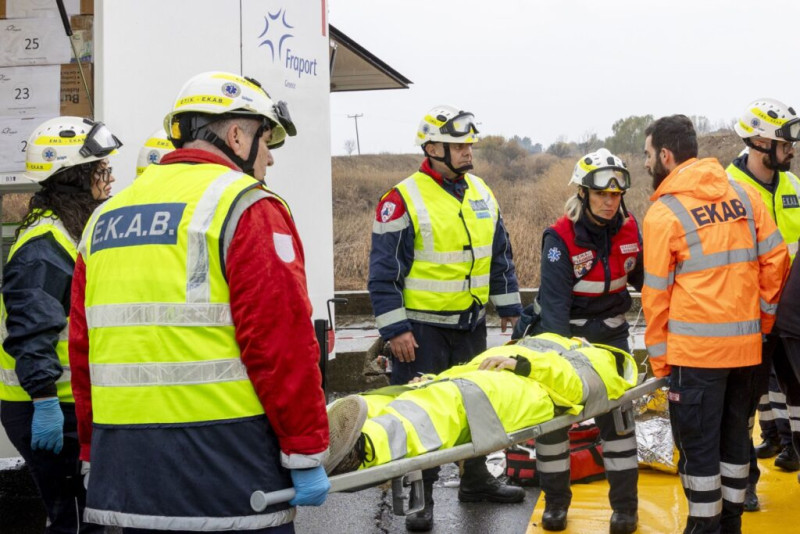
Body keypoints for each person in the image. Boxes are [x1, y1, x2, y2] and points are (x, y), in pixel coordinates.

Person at [68, 71, 330, 533]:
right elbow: (281, 343)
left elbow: (84, 350)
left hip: (127, 473)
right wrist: (305, 449)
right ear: (235, 134)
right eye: (265, 140)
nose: (268, 157)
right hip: (229, 473)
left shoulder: (104, 218)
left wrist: (91, 449)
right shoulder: (246, 205)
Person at [367, 105, 524, 531]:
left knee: (475, 406)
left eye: (469, 144)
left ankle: (475, 481)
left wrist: (509, 308)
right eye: (459, 145)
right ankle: (422, 498)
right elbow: (383, 274)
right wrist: (395, 330)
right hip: (420, 332)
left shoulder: (481, 192)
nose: (468, 151)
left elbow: (500, 258)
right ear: (433, 147)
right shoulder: (401, 198)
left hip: (470, 326)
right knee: (420, 415)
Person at [641, 114, 790, 534]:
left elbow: (656, 297)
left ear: (666, 156)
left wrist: (661, 363)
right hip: (746, 355)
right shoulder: (744, 197)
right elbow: (775, 264)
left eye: (649, 155)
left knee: (700, 453)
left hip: (696, 360)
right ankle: (730, 525)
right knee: (734, 445)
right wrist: (759, 326)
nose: (647, 163)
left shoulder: (664, 214)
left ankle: (703, 528)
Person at [0, 116, 120, 533]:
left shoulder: (71, 229)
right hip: (47, 405)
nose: (110, 179)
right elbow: (31, 329)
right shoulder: (45, 244)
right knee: (75, 519)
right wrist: (45, 401)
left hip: (68, 402)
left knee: (89, 516)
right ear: (76, 176)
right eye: (102, 170)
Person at [519, 148, 642, 533]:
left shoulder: (630, 228)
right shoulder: (559, 238)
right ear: (584, 194)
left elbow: (649, 282)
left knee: (619, 425)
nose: (610, 202)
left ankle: (625, 509)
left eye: (616, 195)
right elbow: (554, 310)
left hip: (612, 337)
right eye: (602, 194)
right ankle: (556, 502)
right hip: (563, 335)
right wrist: (565, 365)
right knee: (554, 425)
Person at [325, 333, 638, 478]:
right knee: (407, 395)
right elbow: (477, 366)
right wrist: (435, 377)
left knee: (432, 415)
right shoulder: (559, 342)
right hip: (481, 382)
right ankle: (322, 434)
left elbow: (575, 389)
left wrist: (524, 365)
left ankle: (360, 451)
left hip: (513, 397)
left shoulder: (603, 363)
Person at [726, 98, 800, 510]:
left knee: (796, 392)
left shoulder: (793, 187)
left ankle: (792, 449)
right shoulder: (728, 190)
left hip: (793, 317)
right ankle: (745, 482)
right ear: (759, 142)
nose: (792, 150)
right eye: (785, 143)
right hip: (749, 317)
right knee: (745, 404)